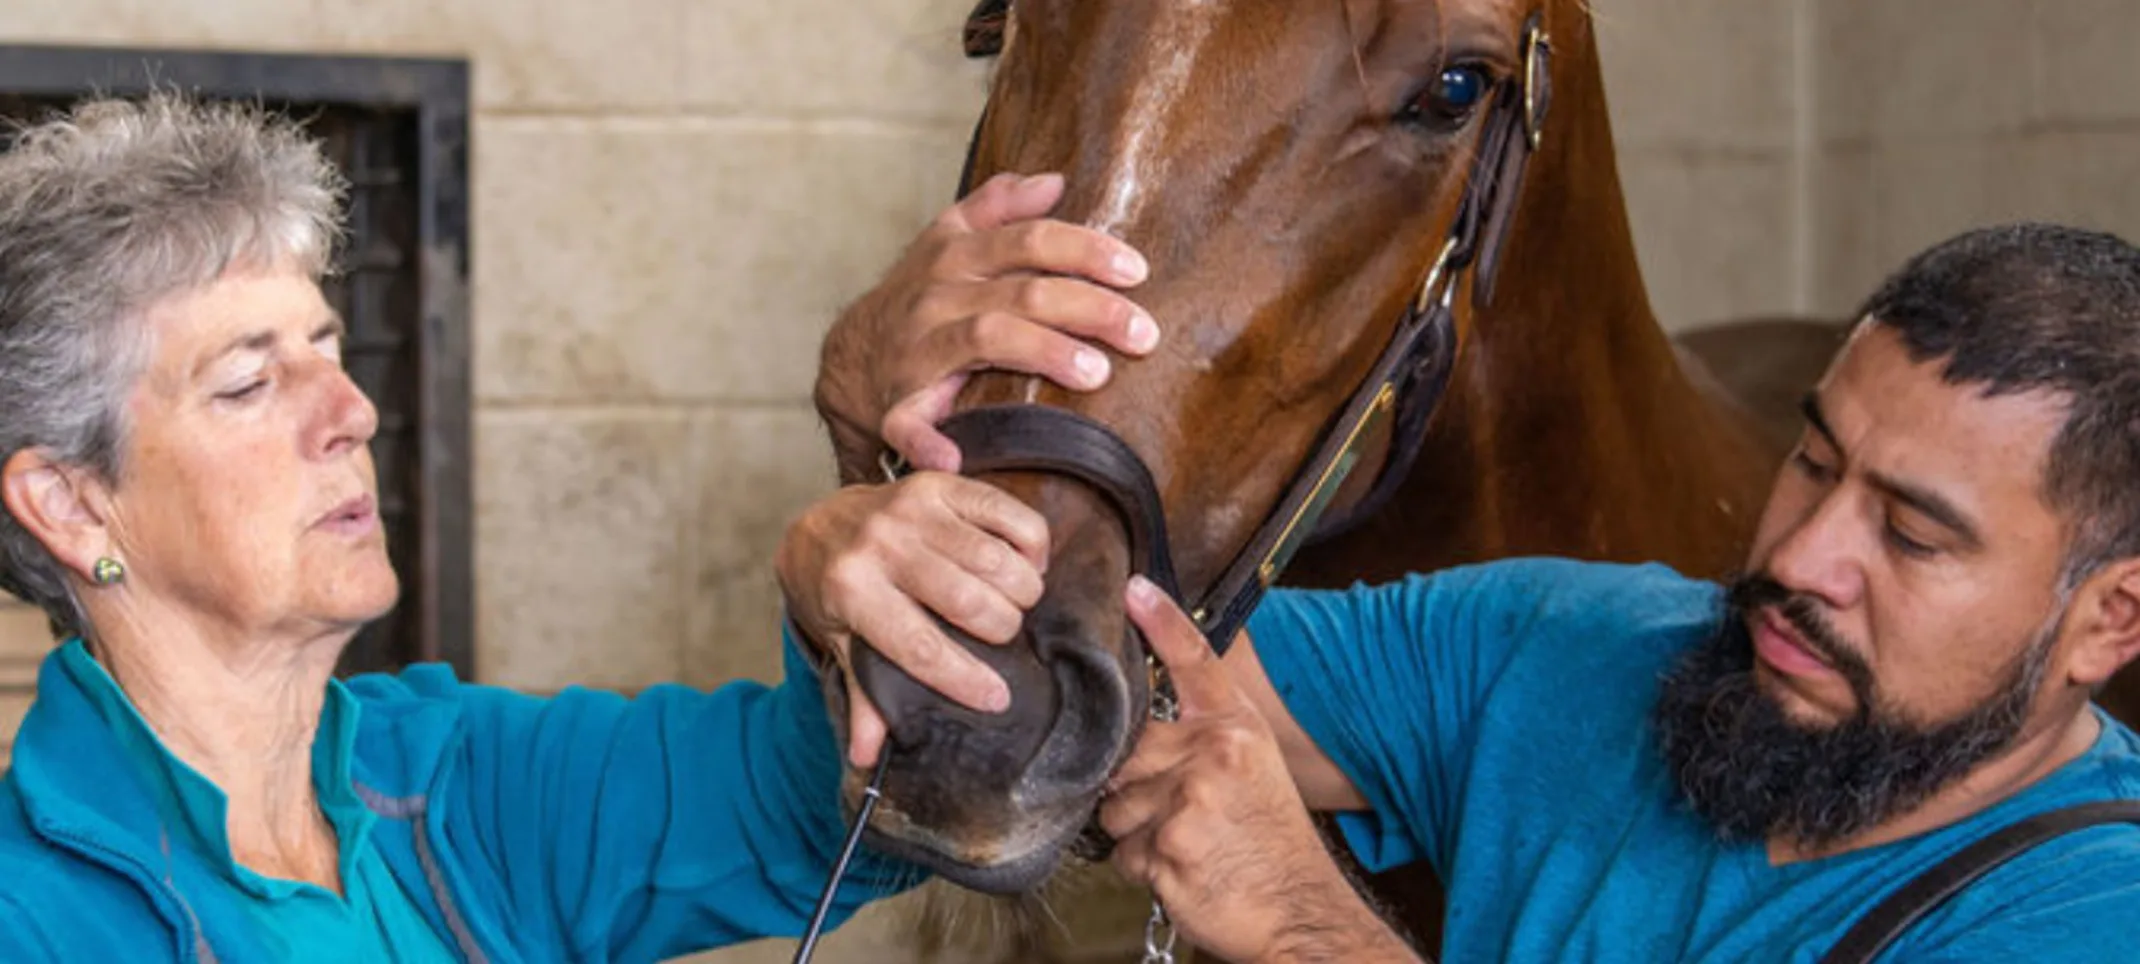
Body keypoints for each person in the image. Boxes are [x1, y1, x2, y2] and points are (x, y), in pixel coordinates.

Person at [782, 221, 2140, 961]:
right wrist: (871, 468)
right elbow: (1077, 694)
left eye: (1910, 535)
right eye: (1812, 460)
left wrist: (1308, 930)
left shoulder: (2092, 914)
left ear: (2109, 617)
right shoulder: (1568, 644)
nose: (1795, 557)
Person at [0, 94, 1152, 961]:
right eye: (249, 385)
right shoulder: (33, 909)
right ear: (70, 502)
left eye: (330, 350)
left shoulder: (450, 780)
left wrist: (853, 478)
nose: (351, 414)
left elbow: (820, 807)